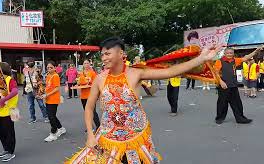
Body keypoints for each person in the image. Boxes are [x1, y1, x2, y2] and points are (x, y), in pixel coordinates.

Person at [78, 37, 220, 163]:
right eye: (102, 55)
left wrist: (200, 59)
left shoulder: (136, 73)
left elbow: (170, 72)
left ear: (121, 54)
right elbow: (89, 107)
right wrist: (90, 135)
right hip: (108, 137)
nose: (103, 58)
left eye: (107, 53)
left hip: (136, 137)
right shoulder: (99, 78)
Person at [214, 47, 263, 124]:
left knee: (237, 103)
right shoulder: (219, 61)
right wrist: (221, 82)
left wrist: (255, 51)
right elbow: (215, 73)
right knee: (222, 103)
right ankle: (219, 118)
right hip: (224, 86)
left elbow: (246, 57)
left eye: (231, 53)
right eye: (228, 53)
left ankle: (240, 118)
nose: (229, 54)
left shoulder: (235, 60)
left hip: (233, 85)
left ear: (233, 54)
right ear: (224, 53)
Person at [0, 62, 18, 162]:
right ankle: (6, 149)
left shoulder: (9, 79)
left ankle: (10, 151)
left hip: (10, 110)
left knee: (9, 132)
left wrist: (2, 100)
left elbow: (15, 91)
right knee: (0, 130)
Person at [43, 61, 66, 142]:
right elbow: (48, 86)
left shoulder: (55, 76)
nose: (49, 69)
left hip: (53, 99)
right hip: (48, 99)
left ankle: (53, 133)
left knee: (51, 116)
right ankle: (61, 128)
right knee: (52, 115)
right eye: (48, 68)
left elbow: (57, 88)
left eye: (51, 67)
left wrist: (47, 94)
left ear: (55, 67)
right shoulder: (48, 75)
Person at [77, 59, 100, 131]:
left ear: (89, 64)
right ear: (83, 65)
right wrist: (78, 82)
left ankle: (98, 126)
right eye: (85, 63)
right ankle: (90, 127)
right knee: (87, 112)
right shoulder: (81, 73)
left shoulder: (93, 73)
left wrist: (90, 83)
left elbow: (96, 83)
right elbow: (78, 82)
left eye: (87, 63)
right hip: (83, 95)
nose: (86, 65)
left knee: (92, 111)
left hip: (91, 95)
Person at [24, 60, 48, 124]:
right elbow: (25, 81)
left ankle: (46, 117)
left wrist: (37, 84)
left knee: (41, 104)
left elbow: (41, 80)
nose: (29, 64)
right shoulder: (26, 71)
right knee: (30, 105)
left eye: (30, 63)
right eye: (28, 63)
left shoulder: (37, 71)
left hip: (37, 91)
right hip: (29, 90)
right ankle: (33, 118)